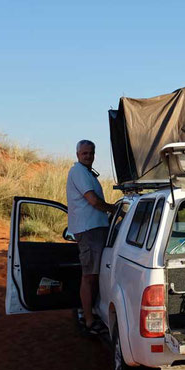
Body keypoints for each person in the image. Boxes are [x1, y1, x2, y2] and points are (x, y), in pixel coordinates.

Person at [66, 139, 116, 334]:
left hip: (94, 230)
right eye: (84, 153)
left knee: (93, 275)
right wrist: (114, 209)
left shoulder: (86, 173)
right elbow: (93, 201)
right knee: (89, 276)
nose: (88, 156)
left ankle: (89, 312)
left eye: (90, 153)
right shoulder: (78, 171)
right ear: (78, 154)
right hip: (89, 231)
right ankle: (88, 320)